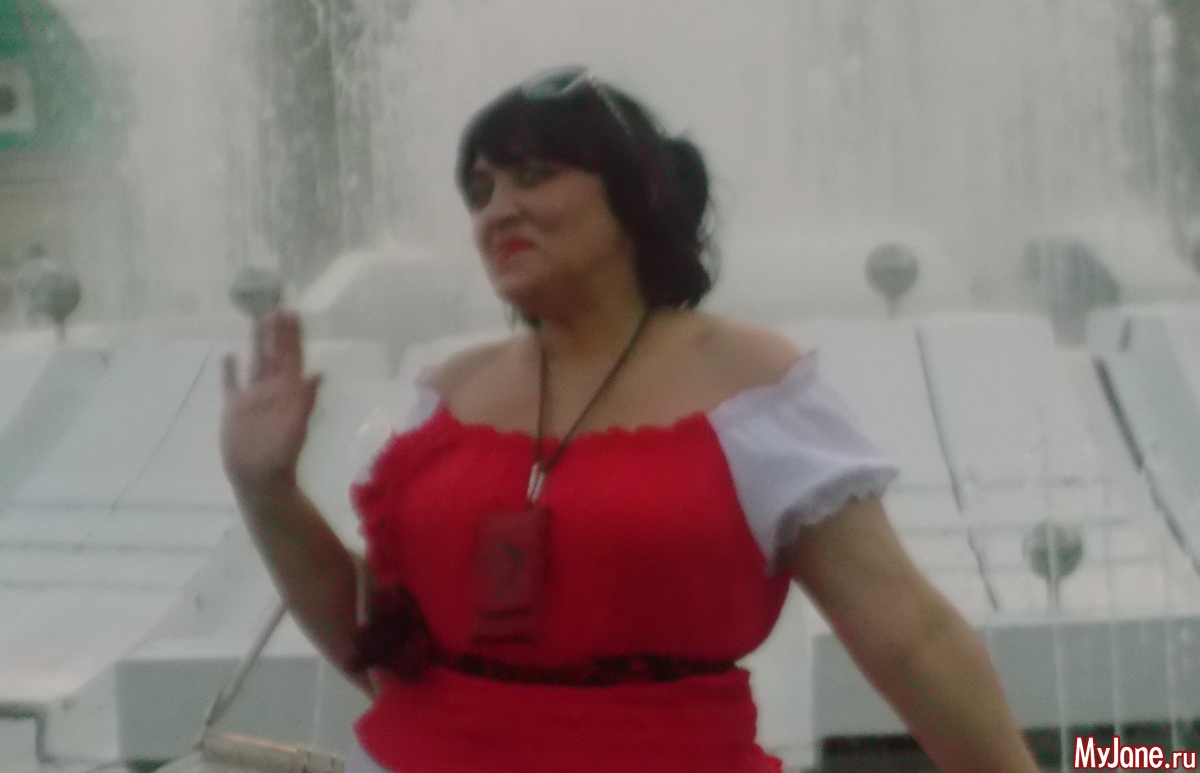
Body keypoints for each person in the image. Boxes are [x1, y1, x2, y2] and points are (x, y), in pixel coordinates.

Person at [220, 66, 1040, 773]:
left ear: (636, 190)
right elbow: (379, 648)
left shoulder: (751, 384)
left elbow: (911, 636)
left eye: (532, 176)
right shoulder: (450, 393)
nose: (497, 210)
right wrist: (267, 491)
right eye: (481, 191)